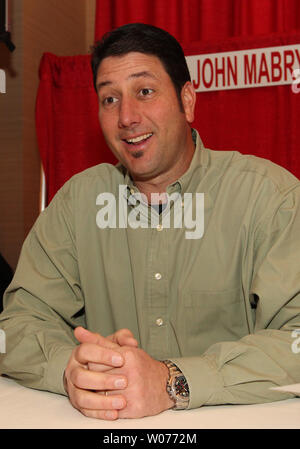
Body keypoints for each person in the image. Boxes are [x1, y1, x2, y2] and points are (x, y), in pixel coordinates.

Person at [1, 23, 300, 421]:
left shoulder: (269, 198)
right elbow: (15, 327)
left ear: (187, 101)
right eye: (109, 99)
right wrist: (72, 367)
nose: (126, 116)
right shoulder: (76, 203)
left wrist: (171, 380)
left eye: (144, 91)